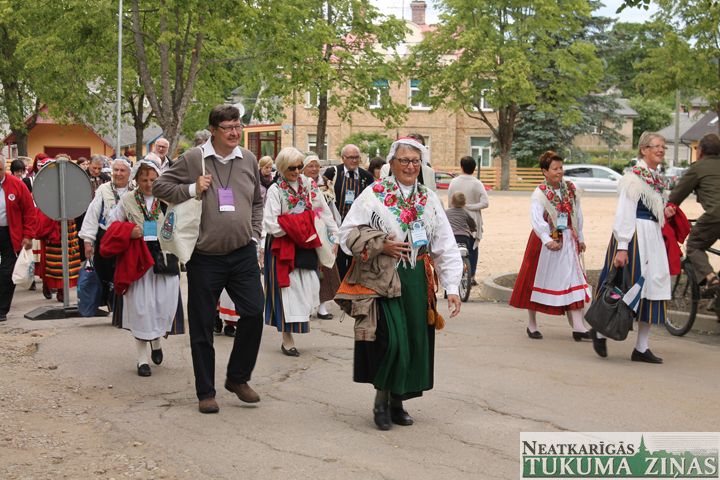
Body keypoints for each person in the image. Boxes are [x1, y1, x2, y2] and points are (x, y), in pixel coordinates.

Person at [338, 137, 462, 430]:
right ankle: (381, 401)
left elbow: (445, 243)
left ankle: (397, 402)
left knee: (413, 343)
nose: (410, 166)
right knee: (391, 342)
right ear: (391, 163)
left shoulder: (428, 198)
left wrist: (452, 287)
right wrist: (381, 245)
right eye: (404, 160)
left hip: (416, 278)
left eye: (415, 161)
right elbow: (345, 235)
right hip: (384, 277)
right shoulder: (374, 194)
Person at [153, 104, 265, 414]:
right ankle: (206, 392)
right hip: (205, 257)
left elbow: (257, 202)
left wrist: (255, 235)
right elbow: (160, 186)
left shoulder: (249, 159)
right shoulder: (195, 158)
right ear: (213, 130)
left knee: (254, 312)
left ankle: (237, 377)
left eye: (237, 126)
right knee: (202, 325)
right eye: (227, 128)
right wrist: (192, 188)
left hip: (242, 253)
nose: (234, 132)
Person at [592, 133, 676, 364]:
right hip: (635, 236)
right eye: (656, 146)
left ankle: (641, 347)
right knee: (625, 286)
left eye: (663, 146)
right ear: (643, 150)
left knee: (653, 286)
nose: (661, 150)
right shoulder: (634, 178)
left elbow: (653, 208)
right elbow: (625, 212)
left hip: (653, 237)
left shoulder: (656, 179)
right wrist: (622, 247)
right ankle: (600, 331)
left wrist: (664, 211)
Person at [108, 159, 184, 377]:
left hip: (163, 259)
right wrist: (129, 231)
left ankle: (156, 342)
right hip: (138, 261)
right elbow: (112, 225)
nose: (149, 184)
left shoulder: (167, 199)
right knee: (141, 308)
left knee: (161, 305)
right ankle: (142, 359)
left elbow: (182, 225)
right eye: (144, 180)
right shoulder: (128, 200)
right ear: (136, 180)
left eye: (153, 180)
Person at [263, 147, 339, 355]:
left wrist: (334, 234)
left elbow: (322, 209)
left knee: (308, 285)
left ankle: (300, 322)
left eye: (299, 167)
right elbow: (271, 224)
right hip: (283, 244)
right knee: (286, 290)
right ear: (281, 168)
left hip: (305, 242)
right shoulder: (275, 190)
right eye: (292, 168)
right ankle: (287, 338)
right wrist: (295, 227)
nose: (297, 171)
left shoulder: (308, 184)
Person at [508, 151, 591, 341]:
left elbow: (577, 214)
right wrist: (547, 239)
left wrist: (580, 237)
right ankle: (532, 323)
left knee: (574, 279)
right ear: (545, 171)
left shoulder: (571, 189)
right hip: (544, 241)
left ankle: (579, 326)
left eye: (561, 168)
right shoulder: (540, 193)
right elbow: (536, 219)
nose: (559, 172)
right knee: (535, 280)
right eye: (555, 169)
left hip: (568, 239)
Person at [668, 133, 720, 293]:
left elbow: (676, 196)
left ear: (701, 151)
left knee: (694, 245)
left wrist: (669, 208)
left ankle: (711, 279)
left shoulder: (698, 168)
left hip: (715, 215)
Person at [79, 157, 133, 309]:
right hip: (107, 238)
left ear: (129, 173)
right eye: (116, 170)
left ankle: (124, 307)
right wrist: (88, 241)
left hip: (128, 239)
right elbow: (92, 215)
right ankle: (113, 305)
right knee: (108, 275)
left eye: (122, 170)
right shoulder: (104, 189)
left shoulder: (135, 190)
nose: (118, 173)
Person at [322, 144, 374, 280]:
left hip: (357, 228)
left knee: (354, 259)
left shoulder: (366, 176)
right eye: (351, 157)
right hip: (336, 225)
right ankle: (339, 286)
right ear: (343, 158)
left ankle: (352, 286)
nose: (354, 160)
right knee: (338, 260)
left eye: (357, 157)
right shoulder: (332, 173)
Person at [301, 154, 341, 319]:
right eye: (310, 166)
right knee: (306, 270)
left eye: (316, 165)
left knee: (326, 269)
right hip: (303, 231)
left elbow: (328, 209)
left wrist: (335, 233)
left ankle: (322, 306)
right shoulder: (299, 184)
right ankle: (306, 306)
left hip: (322, 230)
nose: (314, 169)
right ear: (303, 168)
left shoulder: (326, 184)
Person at [0, 154, 36, 321]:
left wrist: (28, 235)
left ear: (5, 169)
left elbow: (29, 211)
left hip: (10, 232)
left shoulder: (16, 185)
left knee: (7, 271)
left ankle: (2, 309)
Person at [447, 156, 489, 285]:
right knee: (472, 248)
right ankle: (471, 276)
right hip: (473, 219)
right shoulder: (477, 183)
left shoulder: (454, 182)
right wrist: (470, 207)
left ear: (461, 167)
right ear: (474, 168)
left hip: (455, 218)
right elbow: (485, 203)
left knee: (454, 249)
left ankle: (455, 275)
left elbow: (449, 202)